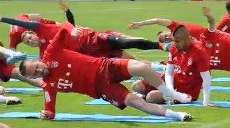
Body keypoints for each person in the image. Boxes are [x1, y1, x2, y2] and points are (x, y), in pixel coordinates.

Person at [19, 28, 192, 121]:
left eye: (37, 67)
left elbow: (62, 32)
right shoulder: (48, 86)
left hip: (105, 66)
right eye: (36, 73)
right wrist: (46, 115)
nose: (40, 71)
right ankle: (176, 115)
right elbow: (50, 111)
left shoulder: (50, 53)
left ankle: (169, 92)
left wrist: (71, 32)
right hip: (102, 88)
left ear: (38, 60)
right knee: (135, 102)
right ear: (34, 78)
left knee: (141, 67)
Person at [0, 14, 168, 60]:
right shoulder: (45, 52)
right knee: (129, 62)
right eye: (28, 42)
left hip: (93, 38)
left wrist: (2, 19)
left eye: (29, 37)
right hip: (90, 53)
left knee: (126, 42)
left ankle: (163, 47)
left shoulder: (42, 27)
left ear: (32, 32)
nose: (30, 40)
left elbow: (67, 24)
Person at [139, 25, 212, 106]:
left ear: (186, 40)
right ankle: (156, 97)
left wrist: (206, 101)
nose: (174, 44)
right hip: (174, 80)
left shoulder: (199, 52)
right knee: (137, 86)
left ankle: (146, 98)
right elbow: (169, 72)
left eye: (177, 41)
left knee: (151, 97)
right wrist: (170, 90)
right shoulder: (174, 47)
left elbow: (206, 77)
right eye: (174, 41)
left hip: (186, 90)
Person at [8, 1, 73, 50]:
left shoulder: (37, 22)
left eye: (30, 38)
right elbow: (11, 50)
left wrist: (57, 23)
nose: (31, 41)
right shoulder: (14, 34)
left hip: (25, 17)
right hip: (21, 20)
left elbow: (44, 20)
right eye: (28, 41)